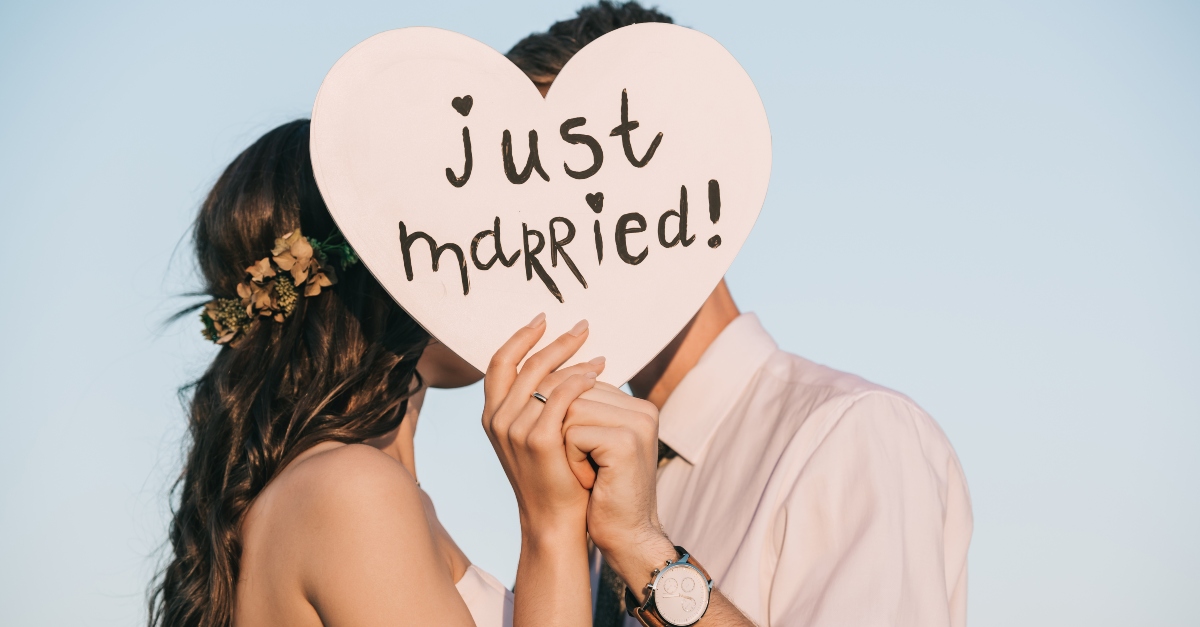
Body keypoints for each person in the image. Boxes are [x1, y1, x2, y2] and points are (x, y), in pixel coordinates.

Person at [506, 3, 975, 626]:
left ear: (693, 190)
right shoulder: (591, 474)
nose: (560, 234)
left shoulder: (852, 435)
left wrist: (646, 552)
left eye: (585, 179)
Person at [147, 119, 660, 627]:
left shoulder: (339, 489)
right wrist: (551, 527)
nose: (500, 264)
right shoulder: (351, 491)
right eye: (468, 240)